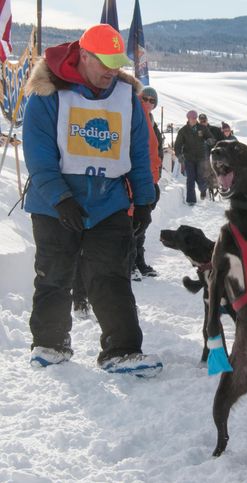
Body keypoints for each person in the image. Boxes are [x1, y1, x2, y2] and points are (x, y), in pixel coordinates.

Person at [22, 24, 162, 376]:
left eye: (117, 63)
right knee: (55, 274)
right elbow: (38, 154)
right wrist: (60, 197)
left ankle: (123, 350)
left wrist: (143, 200)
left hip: (107, 202)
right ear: (84, 55)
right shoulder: (47, 93)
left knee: (111, 276)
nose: (112, 71)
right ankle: (50, 344)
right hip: (54, 204)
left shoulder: (125, 96)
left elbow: (138, 154)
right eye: (104, 62)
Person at [131, 85, 163, 279]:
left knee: (141, 225)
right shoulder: (137, 117)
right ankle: (130, 264)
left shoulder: (151, 121)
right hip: (138, 180)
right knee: (134, 225)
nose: (149, 103)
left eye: (153, 100)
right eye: (146, 98)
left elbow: (155, 152)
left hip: (150, 180)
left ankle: (138, 262)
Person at [174, 110, 212, 205]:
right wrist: (179, 154)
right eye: (192, 118)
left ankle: (203, 190)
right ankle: (191, 200)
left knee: (200, 178)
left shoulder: (202, 128)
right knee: (190, 178)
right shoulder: (183, 131)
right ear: (188, 118)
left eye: (195, 118)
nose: (194, 120)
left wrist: (210, 140)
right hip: (189, 158)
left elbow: (209, 137)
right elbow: (177, 145)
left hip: (201, 157)